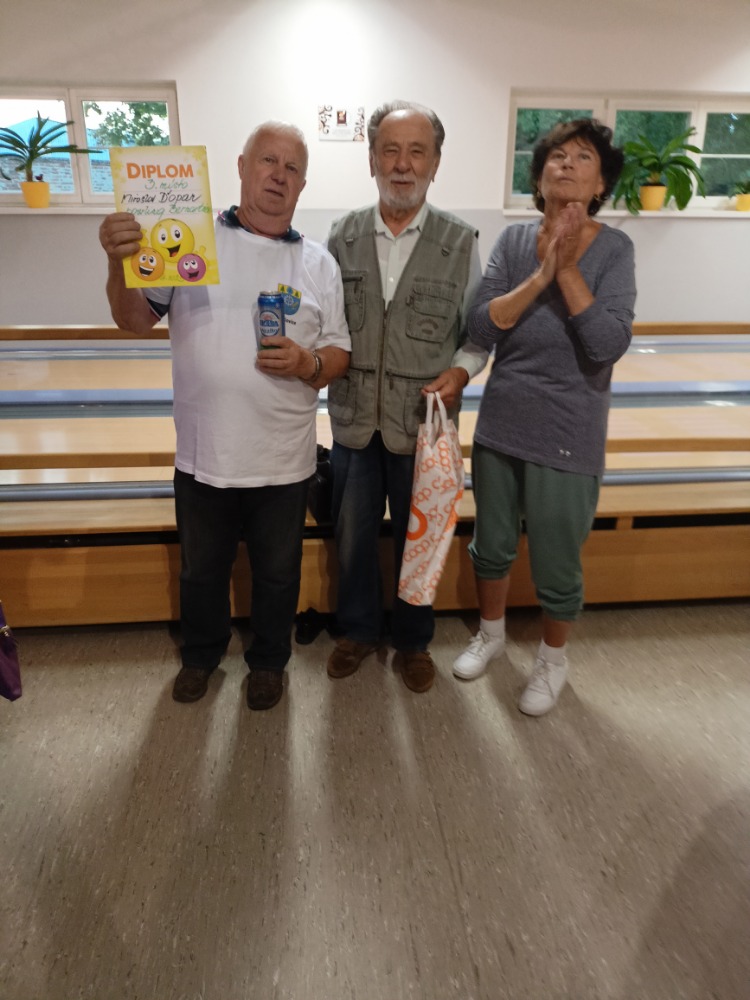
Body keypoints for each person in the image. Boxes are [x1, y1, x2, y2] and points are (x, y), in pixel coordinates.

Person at [98, 121, 351, 710]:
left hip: (284, 459)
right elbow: (133, 320)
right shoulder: (189, 240)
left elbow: (339, 353)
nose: (278, 176)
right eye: (268, 161)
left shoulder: (319, 263)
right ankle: (201, 655)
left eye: (292, 168)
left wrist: (309, 362)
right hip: (205, 451)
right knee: (201, 573)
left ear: (303, 184)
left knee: (279, 575)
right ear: (241, 167)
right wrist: (118, 262)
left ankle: (269, 661)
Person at [453, 119, 636, 715]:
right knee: (492, 545)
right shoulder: (513, 242)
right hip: (503, 422)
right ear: (538, 176)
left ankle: (553, 661)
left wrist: (567, 269)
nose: (566, 164)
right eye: (556, 155)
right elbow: (481, 326)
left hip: (568, 431)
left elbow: (606, 344)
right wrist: (539, 273)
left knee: (557, 558)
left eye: (582, 157)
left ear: (600, 183)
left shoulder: (615, 251)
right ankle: (491, 635)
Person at [325, 99, 484, 693]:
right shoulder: (341, 236)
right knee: (352, 536)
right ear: (371, 159)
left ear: (435, 163)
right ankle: (359, 630)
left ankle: (414, 641)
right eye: (390, 150)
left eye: (417, 152)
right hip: (353, 420)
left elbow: (477, 336)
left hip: (425, 424)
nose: (402, 164)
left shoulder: (460, 242)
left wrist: (461, 373)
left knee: (424, 536)